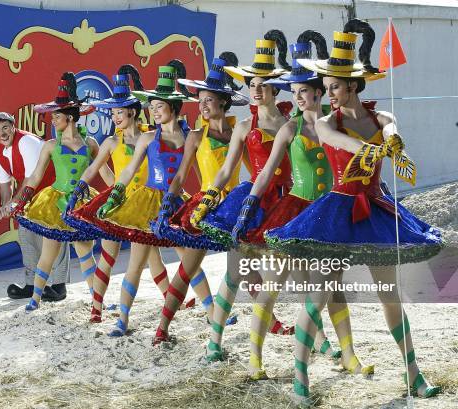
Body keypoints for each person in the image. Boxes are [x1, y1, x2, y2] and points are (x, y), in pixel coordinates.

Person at [265, 19, 442, 403]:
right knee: (319, 294)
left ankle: (414, 374)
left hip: (376, 208)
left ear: (353, 86)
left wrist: (393, 144)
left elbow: (392, 131)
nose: (329, 94)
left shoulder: (381, 118)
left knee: (390, 295)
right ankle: (300, 379)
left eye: (334, 87)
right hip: (337, 212)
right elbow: (339, 142)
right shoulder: (327, 123)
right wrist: (371, 149)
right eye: (326, 88)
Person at [232, 30, 368, 380]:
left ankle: (349, 356)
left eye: (304, 92)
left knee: (333, 288)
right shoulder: (288, 129)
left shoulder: (336, 127)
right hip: (294, 213)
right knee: (271, 286)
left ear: (320, 92)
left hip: (330, 214)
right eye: (294, 93)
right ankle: (254, 359)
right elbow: (263, 176)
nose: (299, 99)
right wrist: (248, 208)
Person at [188, 31, 296, 362]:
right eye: (251, 83)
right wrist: (208, 198)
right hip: (251, 202)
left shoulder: (291, 124)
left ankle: (314, 339)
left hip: (286, 203)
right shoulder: (242, 126)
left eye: (262, 83)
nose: (256, 88)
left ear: (275, 88)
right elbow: (224, 171)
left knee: (290, 276)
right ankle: (214, 343)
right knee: (234, 274)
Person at [150, 53, 249, 344]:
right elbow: (180, 176)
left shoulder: (239, 132)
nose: (203, 106)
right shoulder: (195, 135)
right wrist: (169, 203)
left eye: (208, 100)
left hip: (235, 206)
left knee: (245, 267)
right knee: (186, 269)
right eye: (200, 101)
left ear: (224, 102)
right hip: (204, 207)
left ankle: (271, 321)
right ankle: (162, 328)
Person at [64, 65, 173, 323]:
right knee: (109, 256)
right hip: (118, 203)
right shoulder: (112, 142)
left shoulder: (150, 138)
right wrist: (80, 187)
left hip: (144, 205)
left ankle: (171, 299)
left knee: (151, 256)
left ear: (132, 112)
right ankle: (96, 308)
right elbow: (94, 167)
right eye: (112, 113)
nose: (115, 117)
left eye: (119, 112)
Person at [94, 62, 197, 336]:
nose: (153, 110)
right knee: (130, 262)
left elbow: (183, 173)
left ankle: (211, 311)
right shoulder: (135, 140)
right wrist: (114, 194)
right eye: (151, 106)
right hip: (137, 205)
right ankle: (115, 316)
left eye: (158, 106)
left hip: (171, 202)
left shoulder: (183, 137)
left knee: (187, 258)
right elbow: (121, 171)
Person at [10, 72, 99, 312]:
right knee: (48, 254)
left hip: (80, 203)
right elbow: (36, 175)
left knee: (85, 254)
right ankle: (34, 300)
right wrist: (23, 200)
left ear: (70, 118)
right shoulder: (51, 145)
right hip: (56, 202)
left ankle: (97, 302)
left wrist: (116, 194)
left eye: (56, 116)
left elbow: (106, 172)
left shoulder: (90, 144)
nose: (52, 120)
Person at [0, 111, 68, 302]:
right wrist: (5, 205)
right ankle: (32, 284)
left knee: (54, 236)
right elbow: (4, 183)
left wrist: (14, 203)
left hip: (52, 190)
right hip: (29, 195)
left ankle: (58, 285)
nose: (2, 134)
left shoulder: (26, 142)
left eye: (5, 128)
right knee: (27, 237)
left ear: (13, 126)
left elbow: (31, 179)